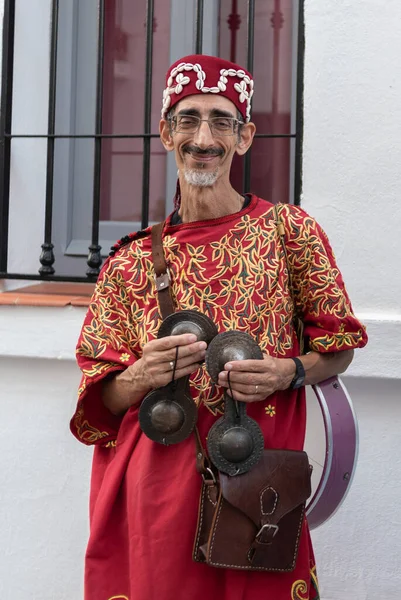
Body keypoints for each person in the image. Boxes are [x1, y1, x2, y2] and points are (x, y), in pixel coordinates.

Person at [71, 54, 368, 600]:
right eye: (187, 119)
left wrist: (288, 371)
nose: (203, 137)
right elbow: (100, 401)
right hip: (156, 486)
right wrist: (141, 375)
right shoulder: (129, 260)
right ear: (165, 133)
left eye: (220, 121)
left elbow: (340, 346)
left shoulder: (289, 232)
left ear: (245, 136)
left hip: (257, 488)